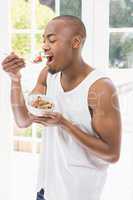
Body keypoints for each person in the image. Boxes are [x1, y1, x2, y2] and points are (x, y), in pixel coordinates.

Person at [2, 15, 122, 200]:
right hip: (45, 189)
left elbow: (112, 154)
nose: (44, 46)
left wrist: (64, 124)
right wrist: (15, 79)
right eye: (43, 40)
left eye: (52, 40)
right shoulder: (48, 75)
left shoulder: (101, 87)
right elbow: (23, 120)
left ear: (75, 42)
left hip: (78, 194)